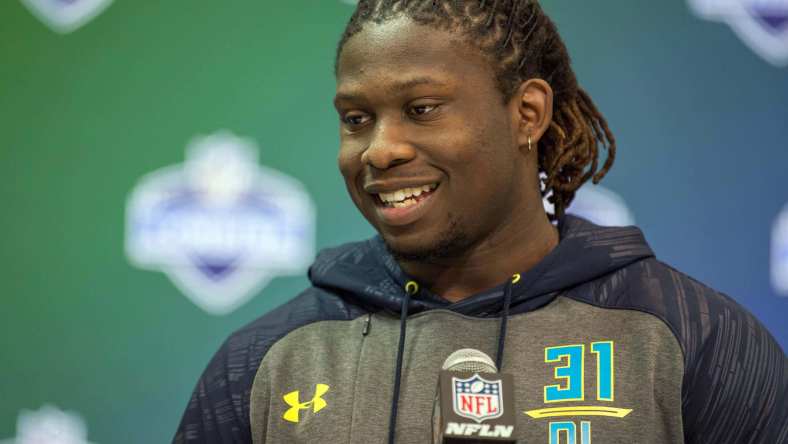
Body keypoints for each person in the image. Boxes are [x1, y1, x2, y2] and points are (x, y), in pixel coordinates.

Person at [173, 1, 786, 443]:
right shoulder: (267, 360)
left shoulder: (689, 339)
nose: (379, 150)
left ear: (527, 114)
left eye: (423, 109)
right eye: (357, 119)